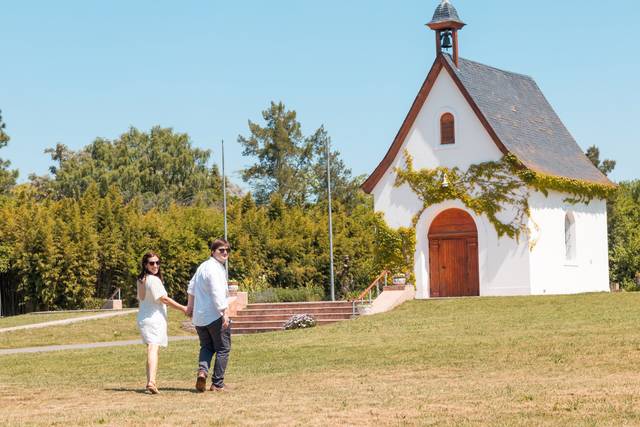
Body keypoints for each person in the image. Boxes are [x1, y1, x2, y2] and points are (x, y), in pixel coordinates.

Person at [136, 252, 187, 394]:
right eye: (151, 263)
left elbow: (141, 297)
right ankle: (152, 382)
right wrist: (183, 308)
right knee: (153, 348)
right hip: (153, 319)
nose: (155, 266)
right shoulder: (153, 280)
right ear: (145, 265)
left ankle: (149, 381)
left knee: (151, 349)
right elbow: (164, 299)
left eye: (157, 262)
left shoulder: (141, 279)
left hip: (143, 319)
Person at [186, 238, 231, 392]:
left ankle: (202, 372)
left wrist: (190, 307)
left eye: (227, 250)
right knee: (223, 348)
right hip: (214, 316)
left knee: (206, 346)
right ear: (213, 252)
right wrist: (224, 312)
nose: (225, 253)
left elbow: (191, 287)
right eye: (221, 250)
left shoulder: (202, 267)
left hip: (199, 318)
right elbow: (217, 292)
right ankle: (217, 384)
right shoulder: (215, 269)